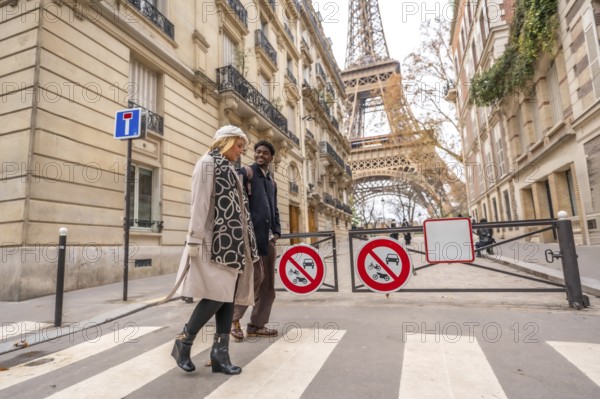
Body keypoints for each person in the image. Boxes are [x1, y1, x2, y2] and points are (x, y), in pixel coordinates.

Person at [171, 125, 259, 375]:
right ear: (227, 142)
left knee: (227, 297)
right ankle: (184, 341)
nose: (241, 151)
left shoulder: (230, 169)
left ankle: (220, 354)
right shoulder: (207, 163)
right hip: (213, 240)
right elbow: (199, 203)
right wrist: (194, 239)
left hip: (232, 243)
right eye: (239, 145)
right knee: (217, 295)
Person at [230, 140, 281, 341]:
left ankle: (257, 324)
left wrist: (277, 232)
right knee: (254, 278)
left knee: (268, 284)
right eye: (258, 152)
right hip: (251, 237)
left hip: (268, 238)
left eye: (265, 153)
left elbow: (274, 208)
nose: (260, 155)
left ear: (271, 157)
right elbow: (236, 203)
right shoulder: (246, 173)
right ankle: (233, 320)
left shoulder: (271, 181)